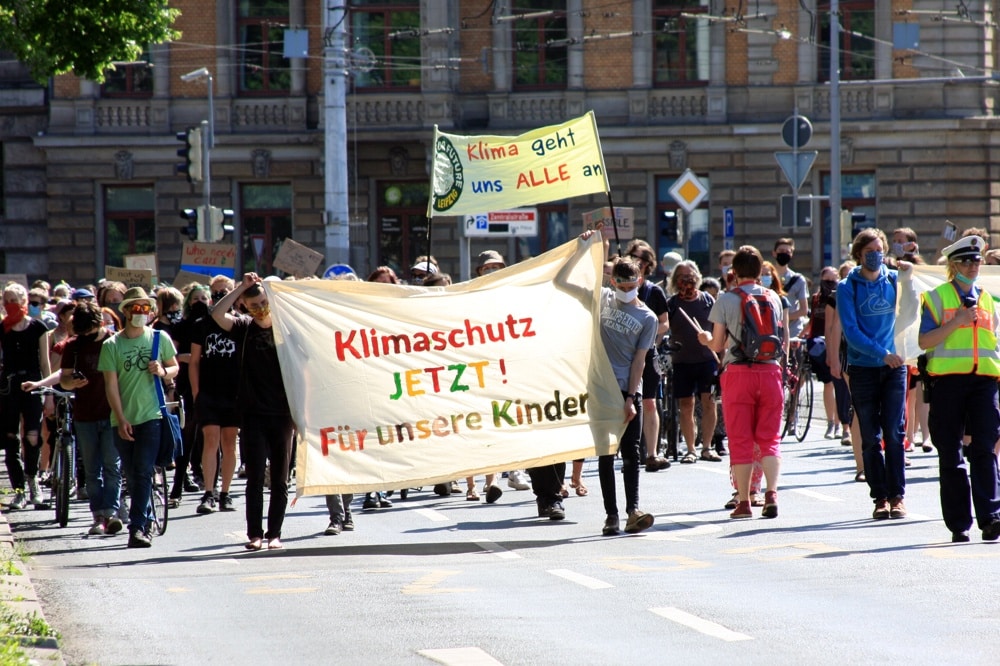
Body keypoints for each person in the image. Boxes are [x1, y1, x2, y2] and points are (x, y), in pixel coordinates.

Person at [917, 234, 1000, 542]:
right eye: (966, 261)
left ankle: (991, 517)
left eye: (976, 260)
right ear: (953, 265)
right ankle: (958, 523)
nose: (973, 266)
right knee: (951, 454)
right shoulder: (937, 297)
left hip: (984, 382)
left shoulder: (988, 299)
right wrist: (958, 321)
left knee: (984, 450)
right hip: (948, 382)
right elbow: (924, 341)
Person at [698, 245, 785, 519]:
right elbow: (782, 342)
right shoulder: (774, 298)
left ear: (733, 272)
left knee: (740, 439)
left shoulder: (725, 299)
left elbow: (718, 343)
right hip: (770, 372)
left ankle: (744, 501)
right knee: (769, 439)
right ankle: (771, 493)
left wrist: (705, 340)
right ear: (761, 271)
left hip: (738, 374)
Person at [212, 273, 294, 550]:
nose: (260, 308)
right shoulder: (244, 327)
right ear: (245, 307)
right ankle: (255, 535)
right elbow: (217, 312)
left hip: (283, 413)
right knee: (256, 477)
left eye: (263, 302)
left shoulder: (286, 328)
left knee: (280, 477)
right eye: (253, 304)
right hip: (253, 413)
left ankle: (275, 534)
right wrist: (241, 288)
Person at [837, 228, 909, 520]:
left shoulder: (893, 279)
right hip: (864, 368)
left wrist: (910, 272)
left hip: (894, 368)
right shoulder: (847, 286)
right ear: (859, 255)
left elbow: (915, 306)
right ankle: (879, 497)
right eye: (870, 252)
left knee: (894, 432)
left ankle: (897, 496)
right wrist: (881, 353)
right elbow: (851, 332)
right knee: (870, 435)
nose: (876, 256)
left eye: (880, 250)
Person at [99, 287, 179, 547]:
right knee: (132, 474)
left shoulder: (159, 338)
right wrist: (121, 418)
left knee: (143, 470)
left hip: (152, 415)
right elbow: (111, 386)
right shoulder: (112, 344)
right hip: (122, 418)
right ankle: (140, 520)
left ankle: (137, 527)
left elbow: (175, 367)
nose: (141, 313)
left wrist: (164, 371)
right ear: (126, 311)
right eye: (136, 308)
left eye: (146, 308)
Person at [595, 254, 658, 536]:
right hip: (601, 387)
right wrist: (589, 244)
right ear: (613, 282)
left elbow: (639, 361)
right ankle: (611, 515)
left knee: (631, 452)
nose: (625, 291)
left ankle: (633, 509)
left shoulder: (648, 317)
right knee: (606, 454)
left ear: (640, 282)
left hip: (627, 388)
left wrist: (631, 398)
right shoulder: (604, 298)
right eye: (620, 286)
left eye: (630, 286)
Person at [59, 302, 123, 536]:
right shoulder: (73, 346)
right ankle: (98, 515)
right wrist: (71, 383)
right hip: (84, 415)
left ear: (99, 323)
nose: (85, 336)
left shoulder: (114, 341)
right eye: (81, 332)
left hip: (112, 413)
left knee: (112, 466)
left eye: (89, 332)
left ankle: (111, 513)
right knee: (92, 469)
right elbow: (64, 378)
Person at [1, 283, 52, 510]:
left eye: (14, 299)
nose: (10, 303)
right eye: (6, 299)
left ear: (23, 301)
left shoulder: (38, 327)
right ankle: (19, 491)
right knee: (11, 438)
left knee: (32, 435)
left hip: (33, 384)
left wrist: (48, 392)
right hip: (8, 386)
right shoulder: (2, 328)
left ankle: (33, 481)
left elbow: (45, 363)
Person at [664, 260, 719, 464]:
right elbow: (663, 328)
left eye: (690, 276)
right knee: (686, 406)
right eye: (682, 277)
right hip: (682, 362)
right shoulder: (672, 304)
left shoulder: (707, 300)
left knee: (709, 403)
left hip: (707, 361)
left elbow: (718, 329)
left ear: (697, 277)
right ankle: (690, 449)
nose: (687, 280)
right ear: (675, 280)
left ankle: (707, 446)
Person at [625, 239, 672, 472]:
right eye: (632, 256)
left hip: (648, 351)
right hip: (624, 353)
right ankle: (629, 452)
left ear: (648, 264)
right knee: (626, 400)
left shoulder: (653, 291)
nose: (636, 261)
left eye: (640, 259)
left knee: (649, 401)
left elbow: (665, 323)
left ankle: (652, 453)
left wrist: (649, 330)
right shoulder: (622, 288)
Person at [807, 266, 841, 439]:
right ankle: (830, 422)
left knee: (839, 385)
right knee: (828, 384)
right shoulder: (815, 299)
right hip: (819, 345)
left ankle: (840, 422)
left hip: (836, 343)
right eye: (826, 280)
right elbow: (813, 320)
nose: (829, 283)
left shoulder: (839, 297)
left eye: (833, 280)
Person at [772, 238, 809, 339]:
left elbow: (804, 310)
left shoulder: (798, 279)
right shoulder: (766, 277)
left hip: (793, 331)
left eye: (787, 252)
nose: (784, 254)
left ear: (791, 255)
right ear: (774, 253)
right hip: (771, 330)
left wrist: (783, 318)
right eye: (781, 251)